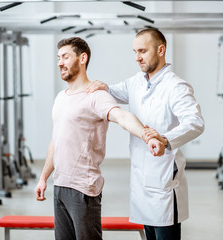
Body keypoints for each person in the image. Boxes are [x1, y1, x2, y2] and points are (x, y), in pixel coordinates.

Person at [34, 37, 164, 240]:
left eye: (66, 57)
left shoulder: (96, 96)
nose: (60, 62)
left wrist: (147, 136)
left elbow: (122, 117)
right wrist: (43, 178)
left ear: (82, 58)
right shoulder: (61, 97)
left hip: (83, 189)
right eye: (58, 57)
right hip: (59, 186)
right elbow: (56, 140)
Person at [86, 28, 205, 240]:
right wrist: (102, 87)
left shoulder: (175, 86)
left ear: (161, 50)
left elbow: (195, 122)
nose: (137, 57)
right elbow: (114, 91)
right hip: (142, 182)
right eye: (135, 51)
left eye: (142, 51)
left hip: (164, 180)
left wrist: (165, 139)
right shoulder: (137, 82)